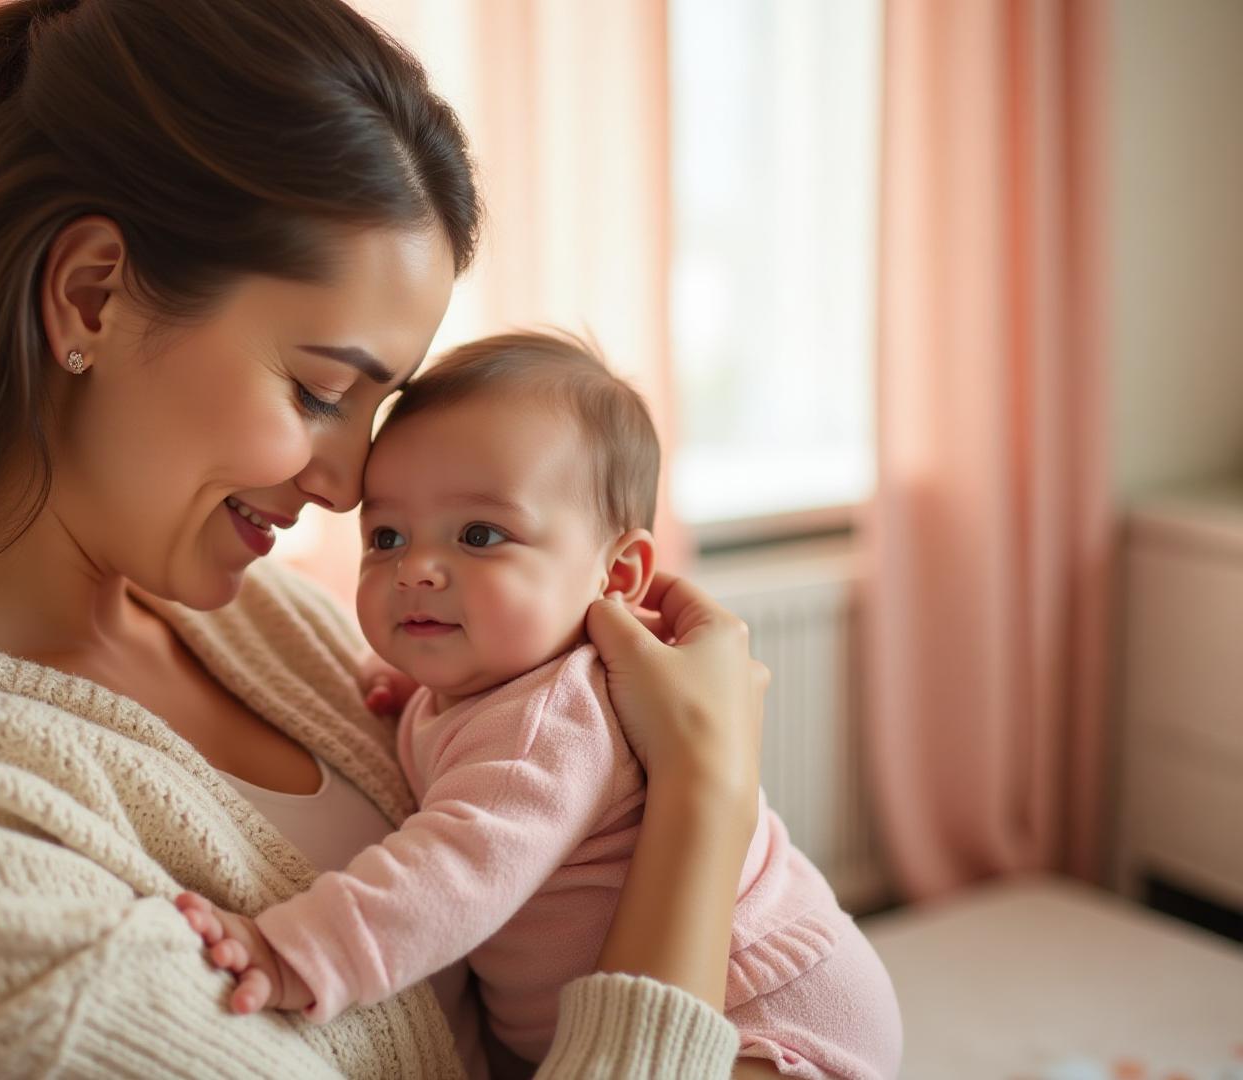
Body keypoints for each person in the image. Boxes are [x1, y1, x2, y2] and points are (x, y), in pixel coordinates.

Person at [0, 2, 773, 1078]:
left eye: (376, 407)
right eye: (314, 390)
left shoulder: (273, 625)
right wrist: (705, 794)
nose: (351, 487)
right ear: (90, 295)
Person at [174, 332, 902, 1078]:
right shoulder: (484, 680)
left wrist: (298, 952)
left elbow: (449, 874)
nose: (417, 569)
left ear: (618, 575)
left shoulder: (552, 715)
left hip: (764, 1012)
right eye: (387, 536)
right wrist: (412, 687)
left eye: (480, 535)